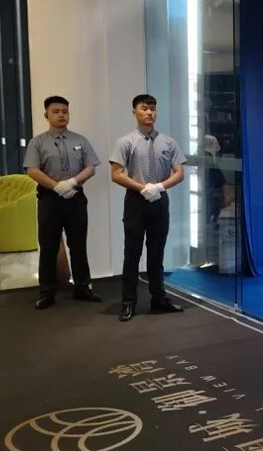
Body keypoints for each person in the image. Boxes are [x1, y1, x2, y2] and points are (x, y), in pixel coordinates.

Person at [109, 94, 187, 322]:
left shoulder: (168, 142)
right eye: (144, 108)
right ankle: (128, 301)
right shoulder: (126, 142)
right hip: (136, 200)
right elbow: (116, 174)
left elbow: (179, 173)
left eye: (153, 108)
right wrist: (142, 188)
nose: (149, 113)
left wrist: (160, 187)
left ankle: (159, 298)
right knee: (132, 253)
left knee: (157, 252)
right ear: (134, 111)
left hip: (160, 200)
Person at [24, 96, 102, 309]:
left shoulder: (80, 140)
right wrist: (56, 186)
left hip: (75, 198)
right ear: (46, 114)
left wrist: (72, 183)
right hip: (50, 199)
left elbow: (91, 167)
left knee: (78, 245)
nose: (61, 115)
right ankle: (47, 292)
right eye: (56, 111)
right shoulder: (37, 142)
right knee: (48, 246)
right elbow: (32, 170)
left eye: (65, 111)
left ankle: (83, 288)